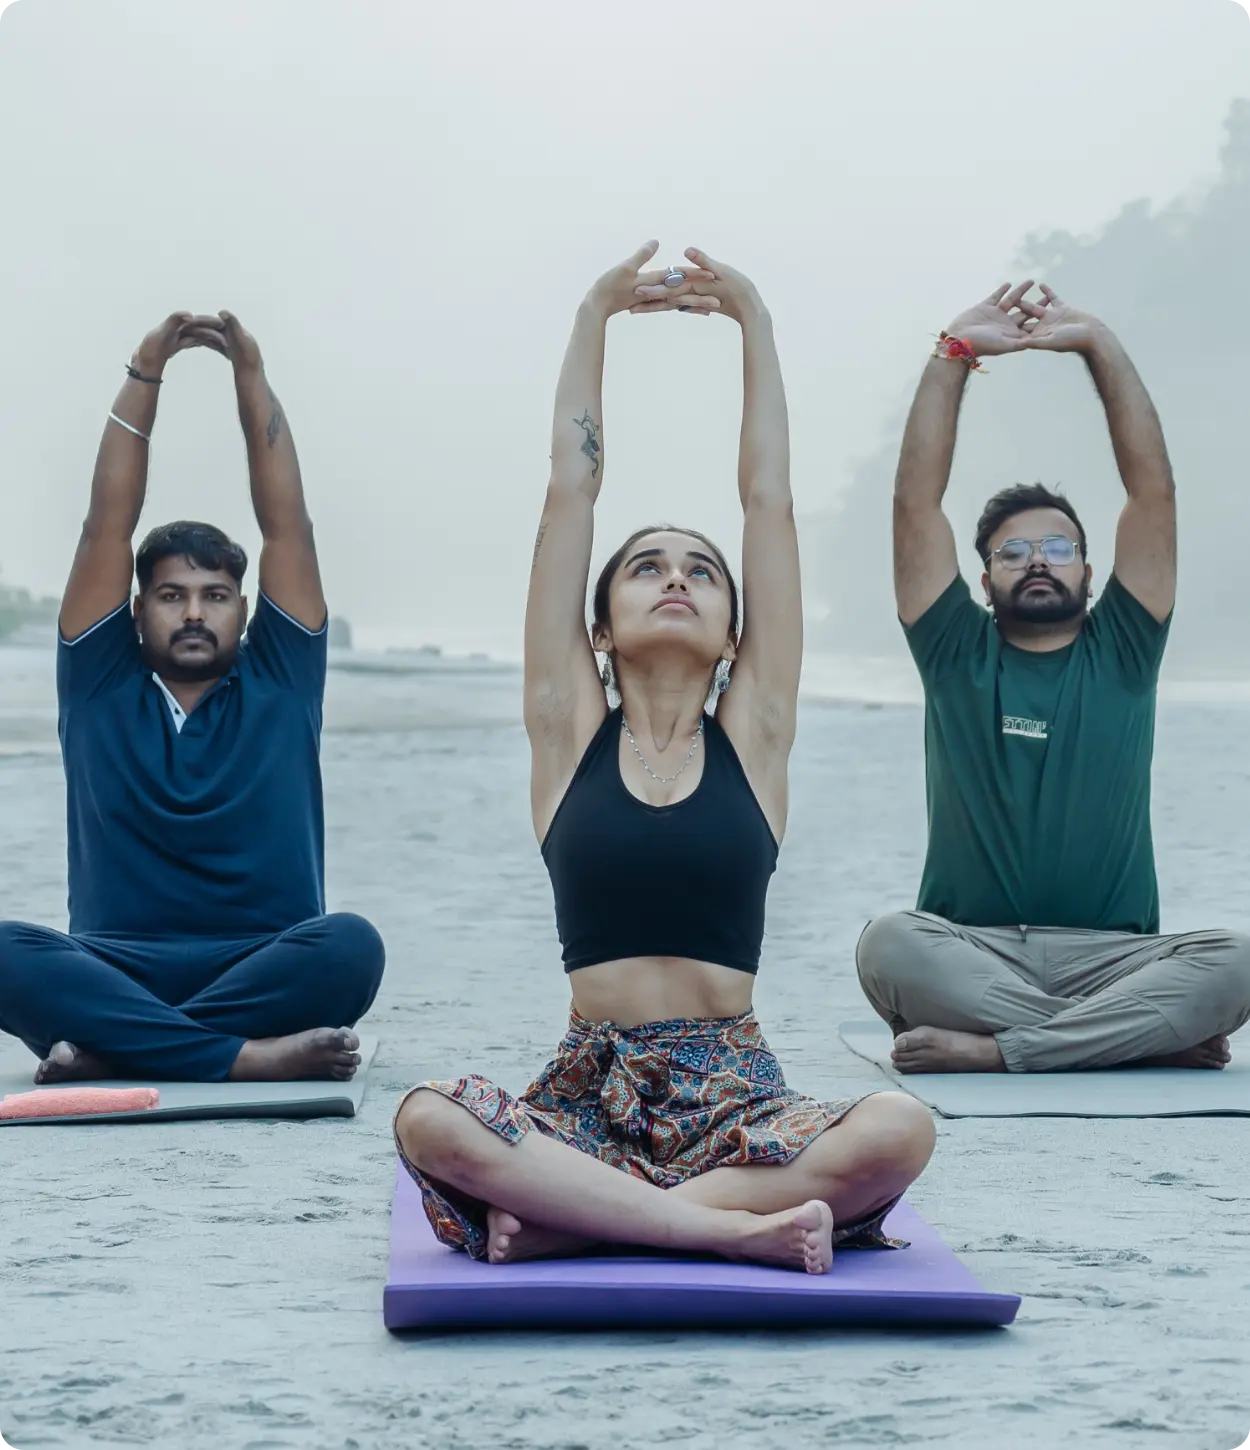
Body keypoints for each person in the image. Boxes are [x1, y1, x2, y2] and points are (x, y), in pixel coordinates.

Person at [394, 242, 934, 1273]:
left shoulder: (754, 736)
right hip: (584, 1093)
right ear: (597, 628)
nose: (674, 578)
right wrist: (594, 313)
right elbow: (568, 494)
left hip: (736, 1092)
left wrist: (756, 324)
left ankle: (579, 1219)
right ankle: (721, 1228)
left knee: (898, 1129)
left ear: (737, 631)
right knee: (427, 1117)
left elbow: (766, 502)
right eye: (644, 567)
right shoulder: (566, 730)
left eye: (699, 572)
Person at [856, 281, 1250, 1074]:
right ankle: (1125, 1038)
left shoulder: (1126, 648)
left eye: (1058, 547)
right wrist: (953, 356)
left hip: (1118, 959)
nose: (1037, 559)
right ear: (985, 579)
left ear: (1091, 571)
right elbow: (914, 504)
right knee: (889, 943)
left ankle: (1009, 1051)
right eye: (1012, 552)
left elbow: (1153, 493)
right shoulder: (954, 651)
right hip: (972, 954)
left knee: (1239, 957)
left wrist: (1098, 344)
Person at [0, 311, 385, 1084]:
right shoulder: (99, 683)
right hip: (116, 967)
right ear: (136, 611)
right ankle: (239, 1058)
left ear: (245, 609)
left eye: (216, 595)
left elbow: (290, 530)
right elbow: (104, 528)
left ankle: (124, 1050)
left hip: (263, 962)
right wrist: (146, 375)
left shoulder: (282, 679)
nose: (196, 612)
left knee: (350, 944)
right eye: (172, 595)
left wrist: (251, 378)